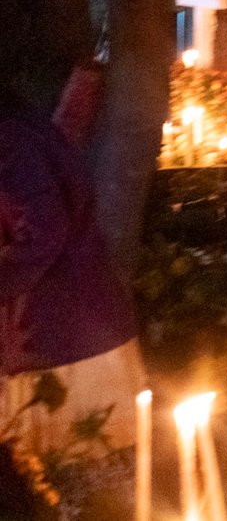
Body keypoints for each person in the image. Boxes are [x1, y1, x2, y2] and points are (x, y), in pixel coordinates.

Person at [0, 82, 142, 459]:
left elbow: (44, 230)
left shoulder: (10, 141)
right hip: (77, 325)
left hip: (60, 335)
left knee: (68, 467)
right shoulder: (24, 131)